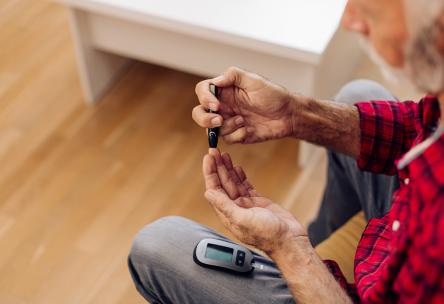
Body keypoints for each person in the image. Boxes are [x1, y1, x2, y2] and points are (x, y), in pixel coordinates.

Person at [128, 0, 444, 303]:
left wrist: (289, 249)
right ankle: (322, 245)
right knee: (358, 93)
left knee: (158, 245)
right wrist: (295, 114)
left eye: (370, 10)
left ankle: (314, 266)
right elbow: (420, 126)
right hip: (392, 241)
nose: (349, 21)